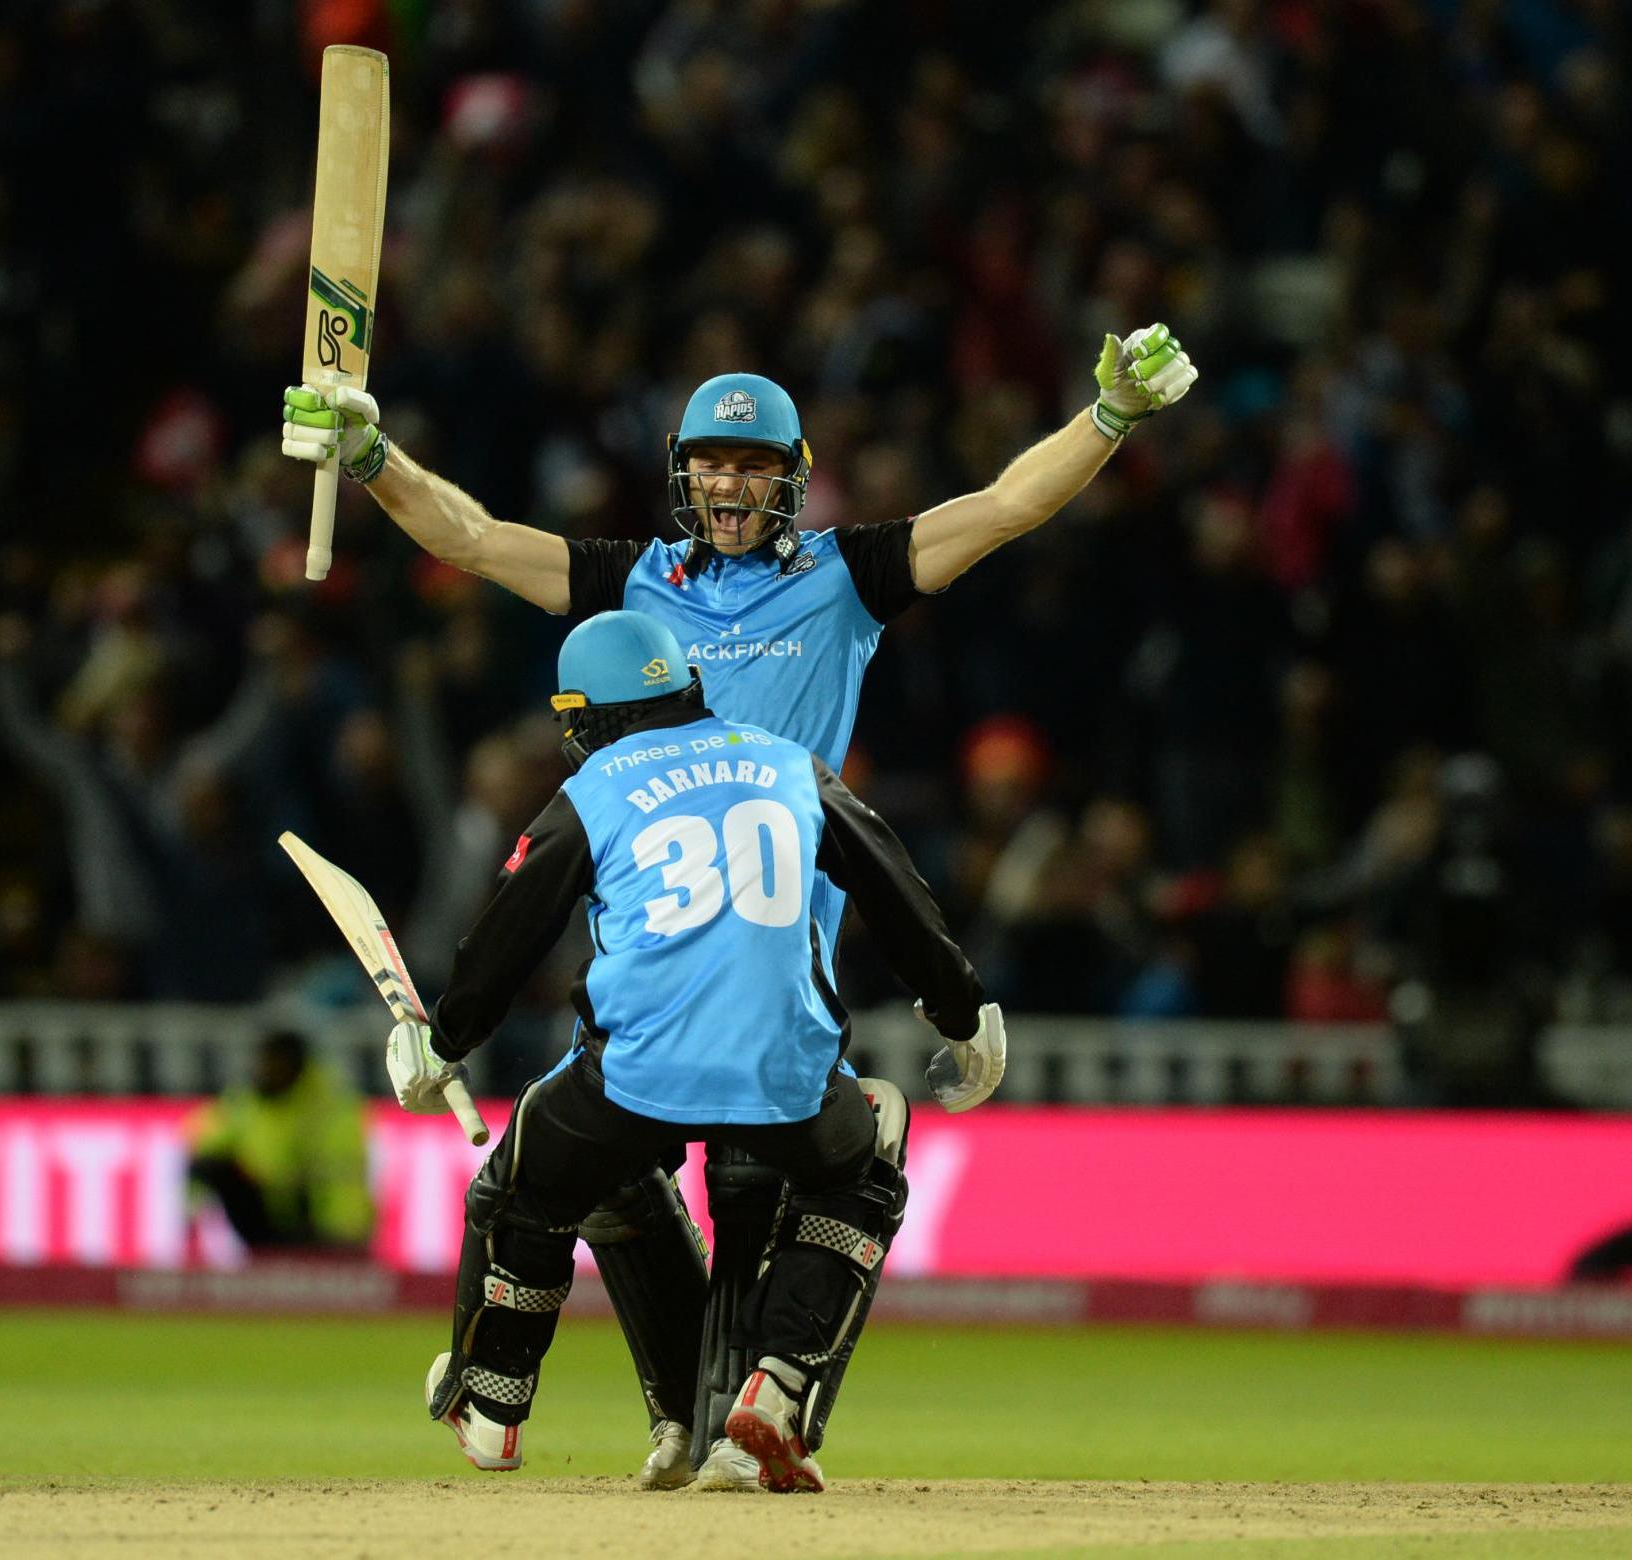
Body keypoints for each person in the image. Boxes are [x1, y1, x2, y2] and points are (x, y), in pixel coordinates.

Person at [282, 328, 1195, 1487]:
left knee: (669, 1180)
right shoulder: (634, 581)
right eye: (708, 463)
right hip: (679, 957)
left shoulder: (843, 576)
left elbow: (1005, 505)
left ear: (789, 476)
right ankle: (701, 1418)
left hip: (782, 959)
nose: (727, 483)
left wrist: (1106, 418)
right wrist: (374, 461)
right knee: (657, 1179)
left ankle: (686, 1419)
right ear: (682, 474)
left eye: (748, 464)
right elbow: (468, 539)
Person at [389, 611, 1004, 1491]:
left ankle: (493, 1406)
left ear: (588, 713)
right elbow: (890, 881)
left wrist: (443, 1039)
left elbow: (514, 927)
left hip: (633, 1081)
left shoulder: (596, 784)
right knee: (866, 1149)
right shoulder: (790, 762)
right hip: (788, 1078)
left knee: (527, 1179)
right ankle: (780, 1380)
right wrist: (963, 1008)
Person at [185, 1029, 373, 1252]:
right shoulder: (248, 1101)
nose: (266, 1071)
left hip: (325, 1224)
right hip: (275, 1209)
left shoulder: (327, 1105)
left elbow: (335, 1178)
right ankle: (263, 1253)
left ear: (295, 1066)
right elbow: (207, 1146)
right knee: (214, 1168)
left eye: (273, 1064)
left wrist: (345, 1236)